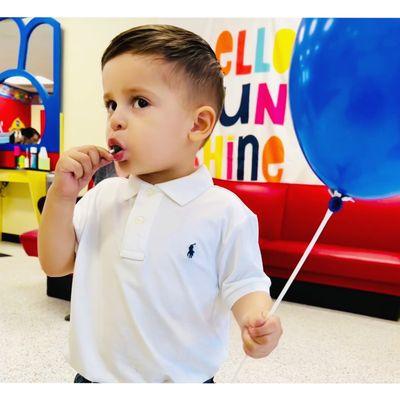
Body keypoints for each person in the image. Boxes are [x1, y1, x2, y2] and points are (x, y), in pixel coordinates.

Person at [38, 24, 283, 383]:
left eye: (140, 102)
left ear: (198, 124)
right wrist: (62, 197)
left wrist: (256, 321)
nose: (116, 118)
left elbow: (245, 284)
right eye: (111, 103)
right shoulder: (102, 196)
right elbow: (55, 264)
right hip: (93, 378)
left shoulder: (225, 212)